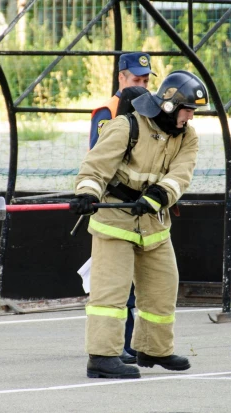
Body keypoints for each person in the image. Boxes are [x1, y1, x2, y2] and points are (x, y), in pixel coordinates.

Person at [71, 70, 209, 379]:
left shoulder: (188, 136)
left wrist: (159, 195)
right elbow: (94, 169)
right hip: (114, 220)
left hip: (153, 223)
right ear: (171, 104)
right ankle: (102, 358)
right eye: (187, 110)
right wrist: (86, 194)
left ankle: (153, 349)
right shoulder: (126, 126)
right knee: (110, 294)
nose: (190, 117)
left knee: (162, 287)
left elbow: (181, 174)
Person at [84, 52, 156, 364]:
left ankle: (138, 346)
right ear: (121, 78)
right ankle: (117, 347)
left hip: (143, 208)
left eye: (146, 79)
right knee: (117, 286)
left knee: (146, 281)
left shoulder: (151, 109)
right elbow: (100, 156)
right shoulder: (108, 112)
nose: (142, 84)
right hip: (116, 205)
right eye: (137, 79)